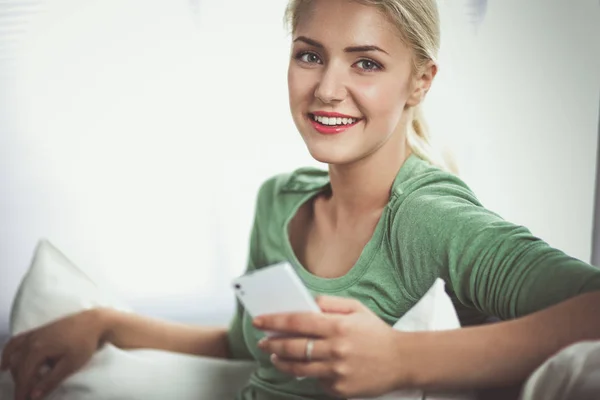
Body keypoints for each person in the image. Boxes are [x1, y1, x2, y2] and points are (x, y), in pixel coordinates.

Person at [2, 0, 600, 399]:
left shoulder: (429, 219)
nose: (327, 89)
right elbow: (244, 347)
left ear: (420, 81)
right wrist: (105, 323)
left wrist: (401, 358)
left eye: (365, 62)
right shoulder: (277, 202)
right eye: (310, 54)